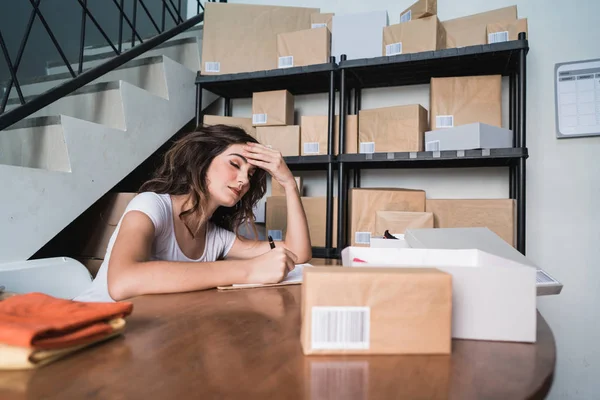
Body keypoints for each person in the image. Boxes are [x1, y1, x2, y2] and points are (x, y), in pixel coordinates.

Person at [74, 124, 312, 302]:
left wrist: (288, 183)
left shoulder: (216, 238)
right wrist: (248, 270)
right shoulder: (151, 206)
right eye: (235, 164)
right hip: (84, 333)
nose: (243, 180)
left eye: (250, 174)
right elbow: (122, 282)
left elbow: (298, 253)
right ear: (203, 161)